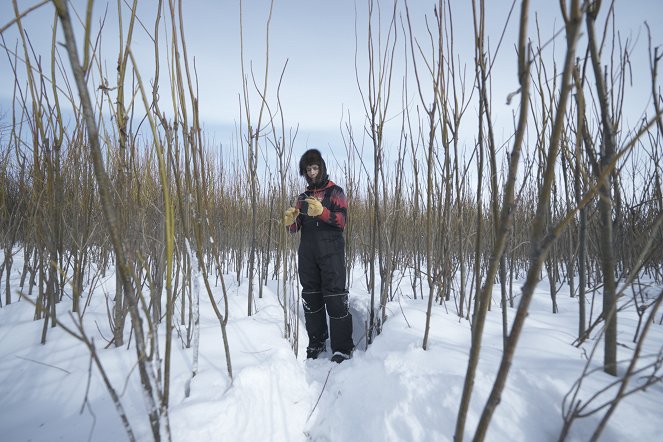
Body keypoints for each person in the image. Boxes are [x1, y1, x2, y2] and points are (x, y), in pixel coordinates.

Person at [283, 149, 354, 363]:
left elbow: (341, 221)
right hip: (308, 252)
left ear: (321, 167)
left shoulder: (336, 192)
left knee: (335, 297)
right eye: (308, 170)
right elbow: (295, 228)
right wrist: (290, 221)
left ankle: (342, 347)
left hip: (331, 251)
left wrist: (322, 212)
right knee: (311, 297)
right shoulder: (302, 197)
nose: (312, 173)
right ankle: (317, 341)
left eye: (315, 168)